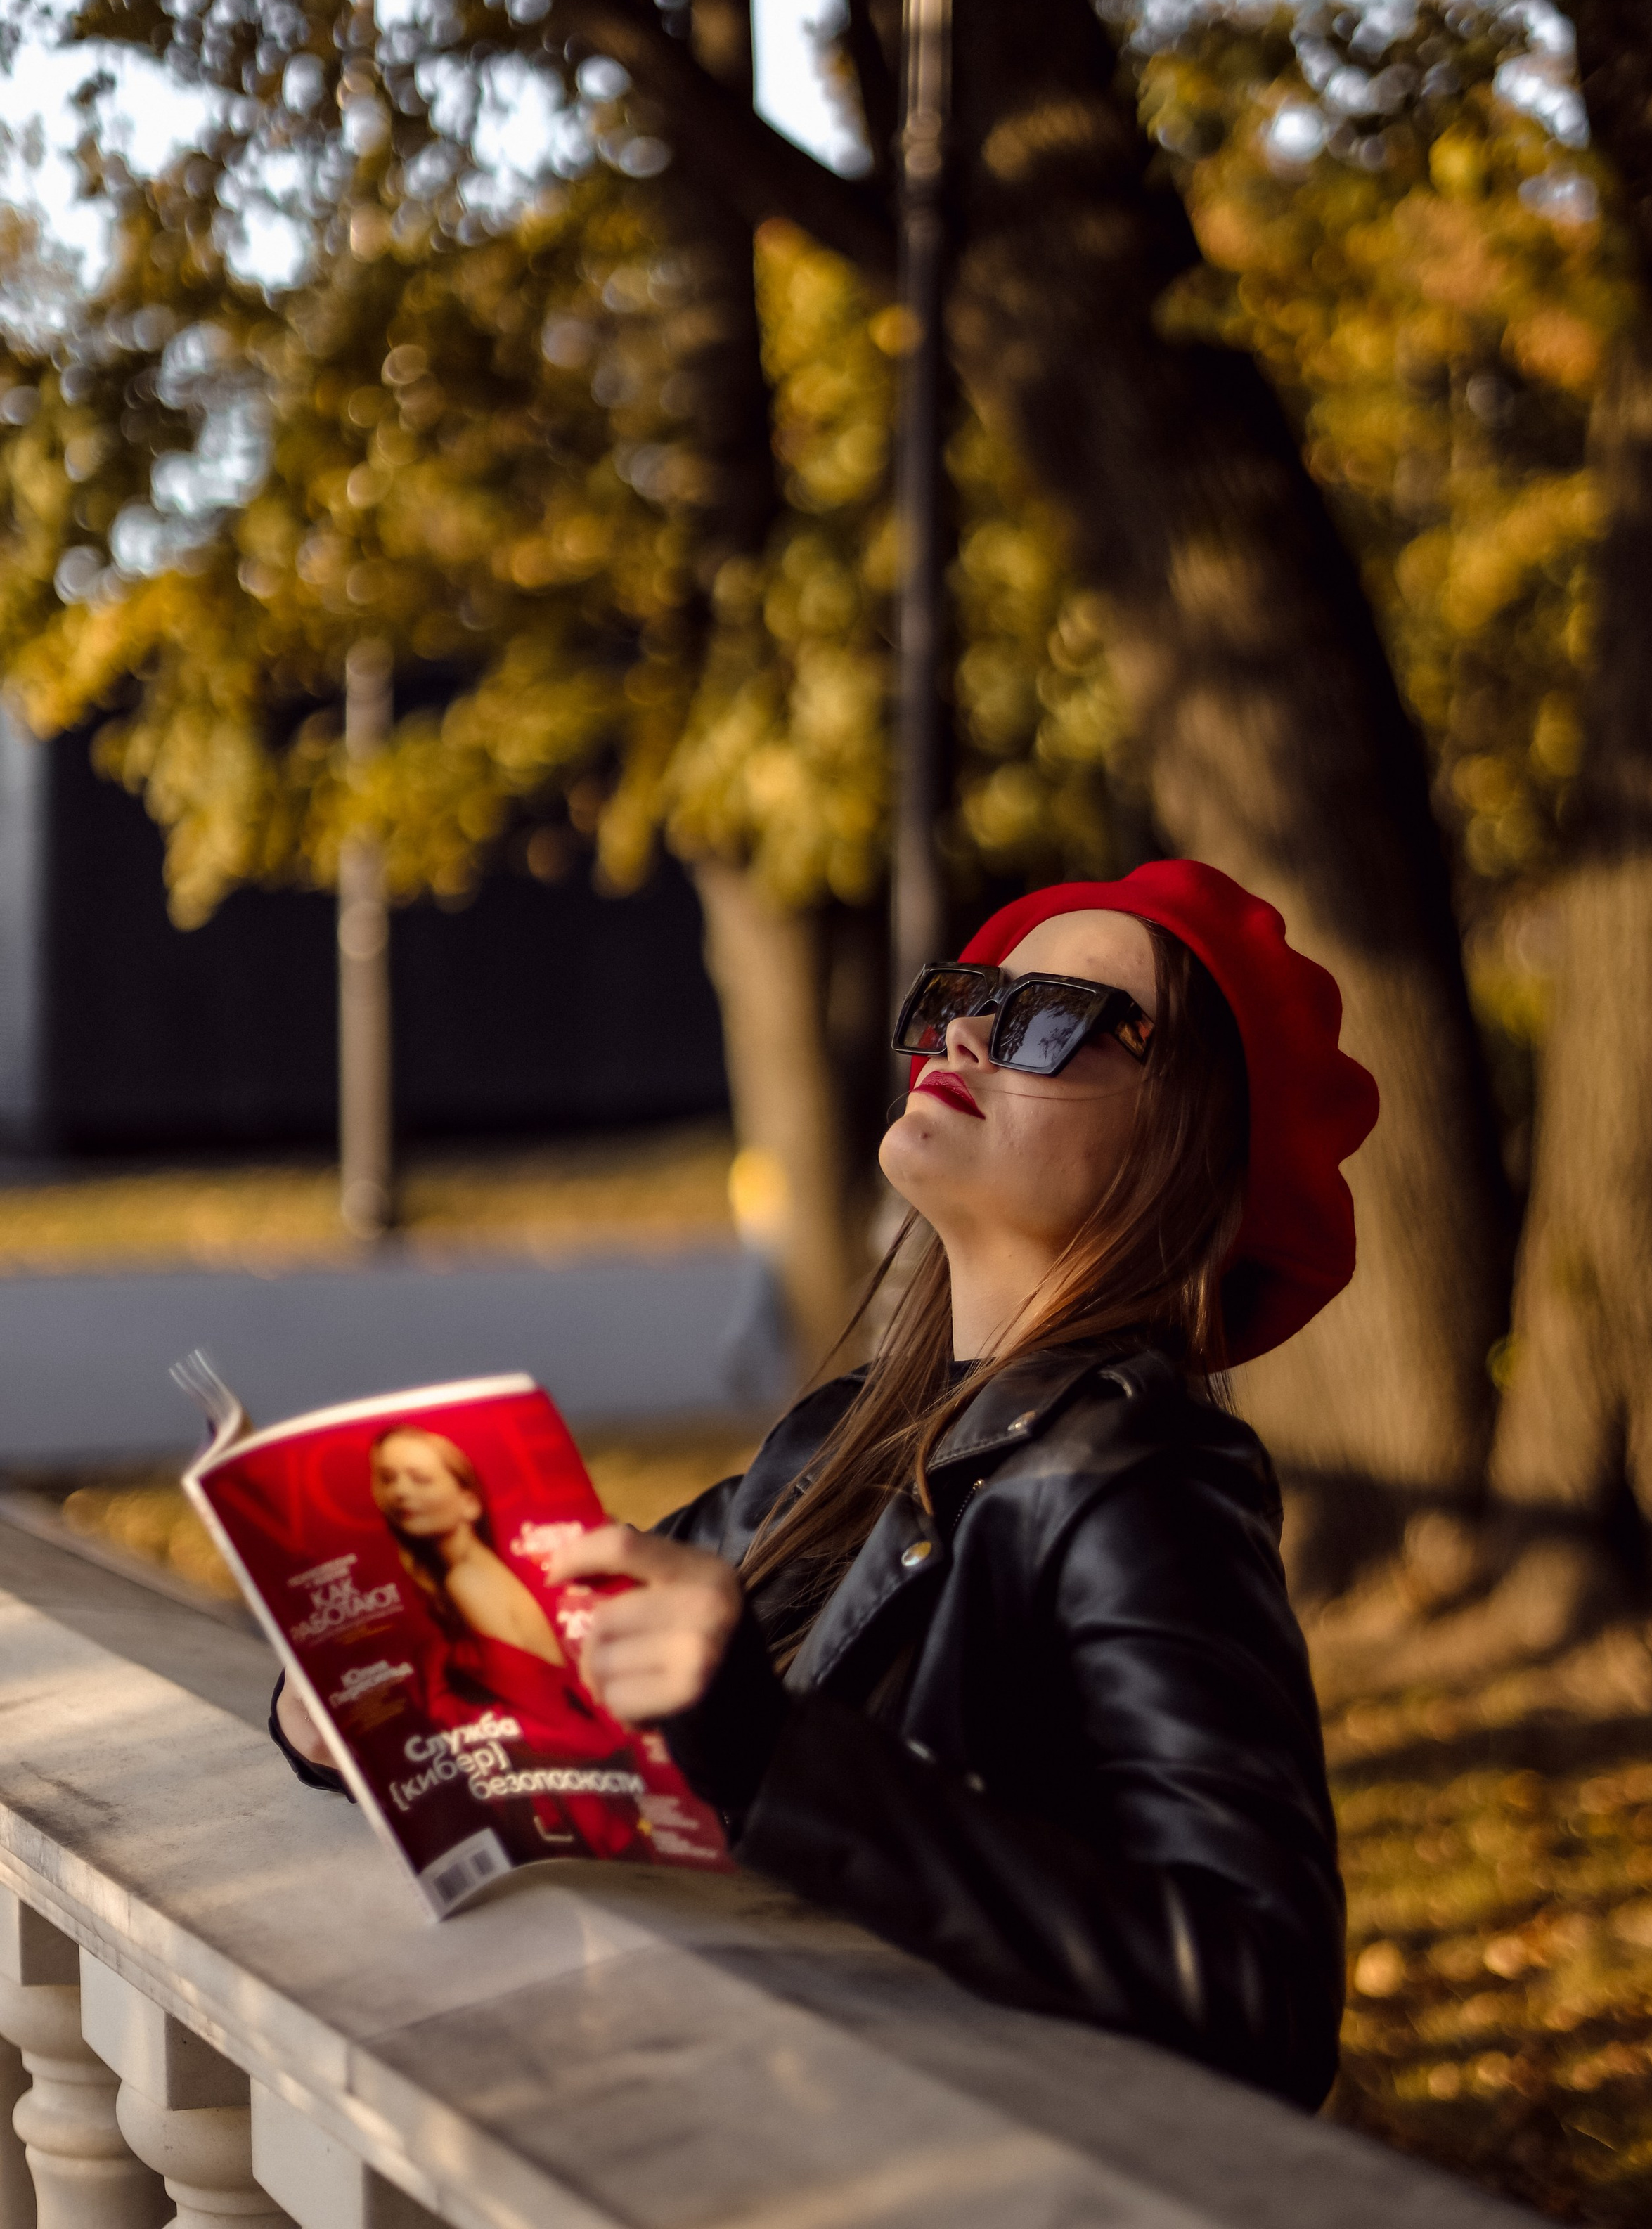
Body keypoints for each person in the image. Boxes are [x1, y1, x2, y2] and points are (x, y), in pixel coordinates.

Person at [275, 860, 1374, 2109]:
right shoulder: (838, 1443)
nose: (964, 1031)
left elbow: (1264, 1998)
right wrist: (352, 1690)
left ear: (1188, 1146)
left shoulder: (1140, 1477)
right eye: (972, 995)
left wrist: (766, 1752)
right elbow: (553, 1633)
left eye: (1053, 1016)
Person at [274, 1424, 647, 1856]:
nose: (401, 1494)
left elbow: (548, 1724)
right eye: (390, 1480)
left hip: (589, 1825)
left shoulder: (482, 1583)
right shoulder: (448, 1591)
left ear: (470, 1500)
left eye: (422, 1479)